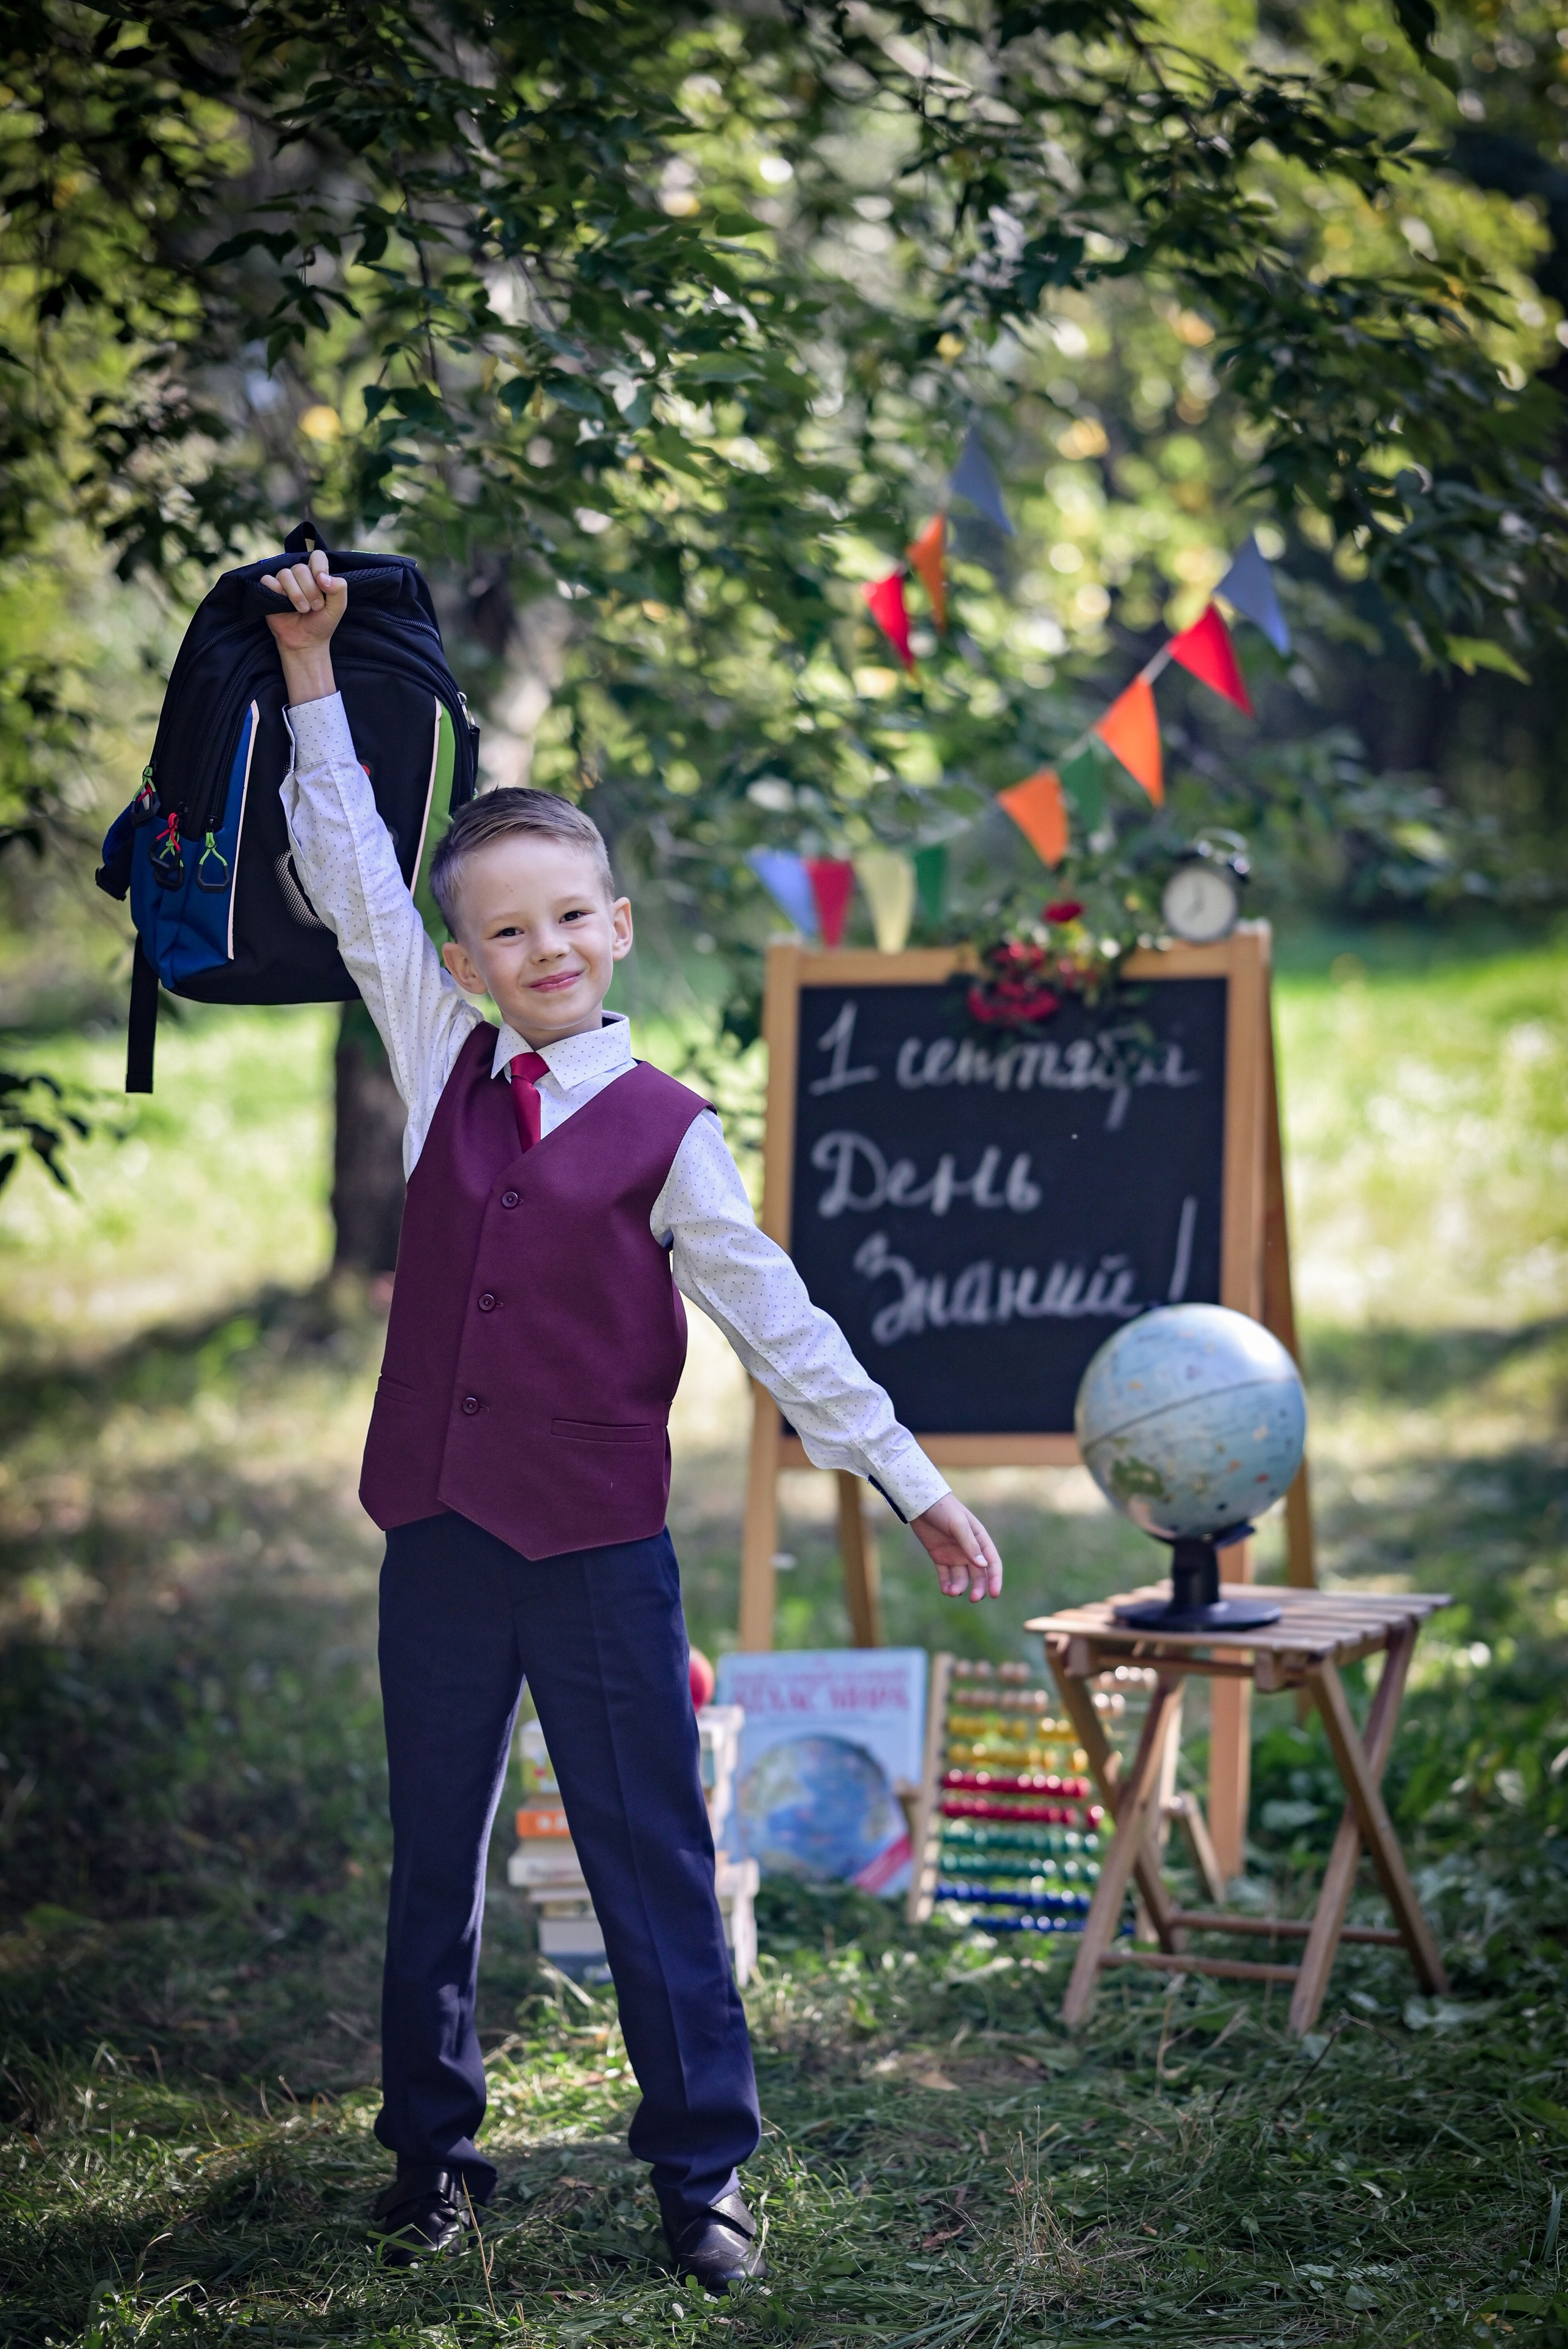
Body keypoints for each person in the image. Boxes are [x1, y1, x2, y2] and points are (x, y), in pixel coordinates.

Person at [259, 547, 1003, 2291]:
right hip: (438, 1529)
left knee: (650, 1852)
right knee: (432, 1845)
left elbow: (780, 1319)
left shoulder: (670, 1126)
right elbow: (352, 866)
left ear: (621, 928)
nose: (544, 951)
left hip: (595, 1551)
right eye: (505, 929)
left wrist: (909, 1479)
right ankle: (434, 2156)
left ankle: (702, 2174)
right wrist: (309, 675)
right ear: (462, 954)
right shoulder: (440, 1040)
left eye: (571, 918)